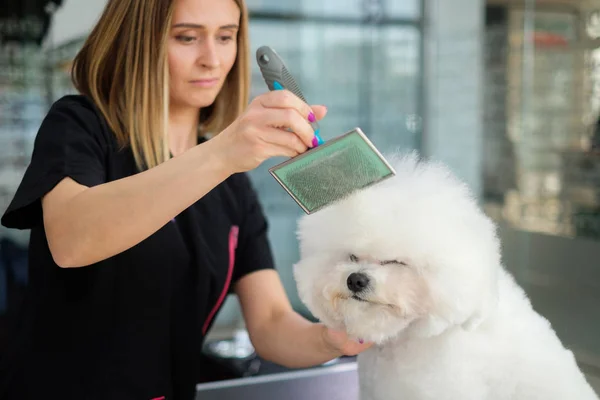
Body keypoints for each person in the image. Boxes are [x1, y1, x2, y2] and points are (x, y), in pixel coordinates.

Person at [0, 0, 372, 398]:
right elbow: (71, 239)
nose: (211, 59)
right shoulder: (80, 127)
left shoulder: (232, 188)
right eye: (187, 37)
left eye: (226, 37)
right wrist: (223, 154)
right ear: (141, 42)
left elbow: (270, 324)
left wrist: (333, 340)